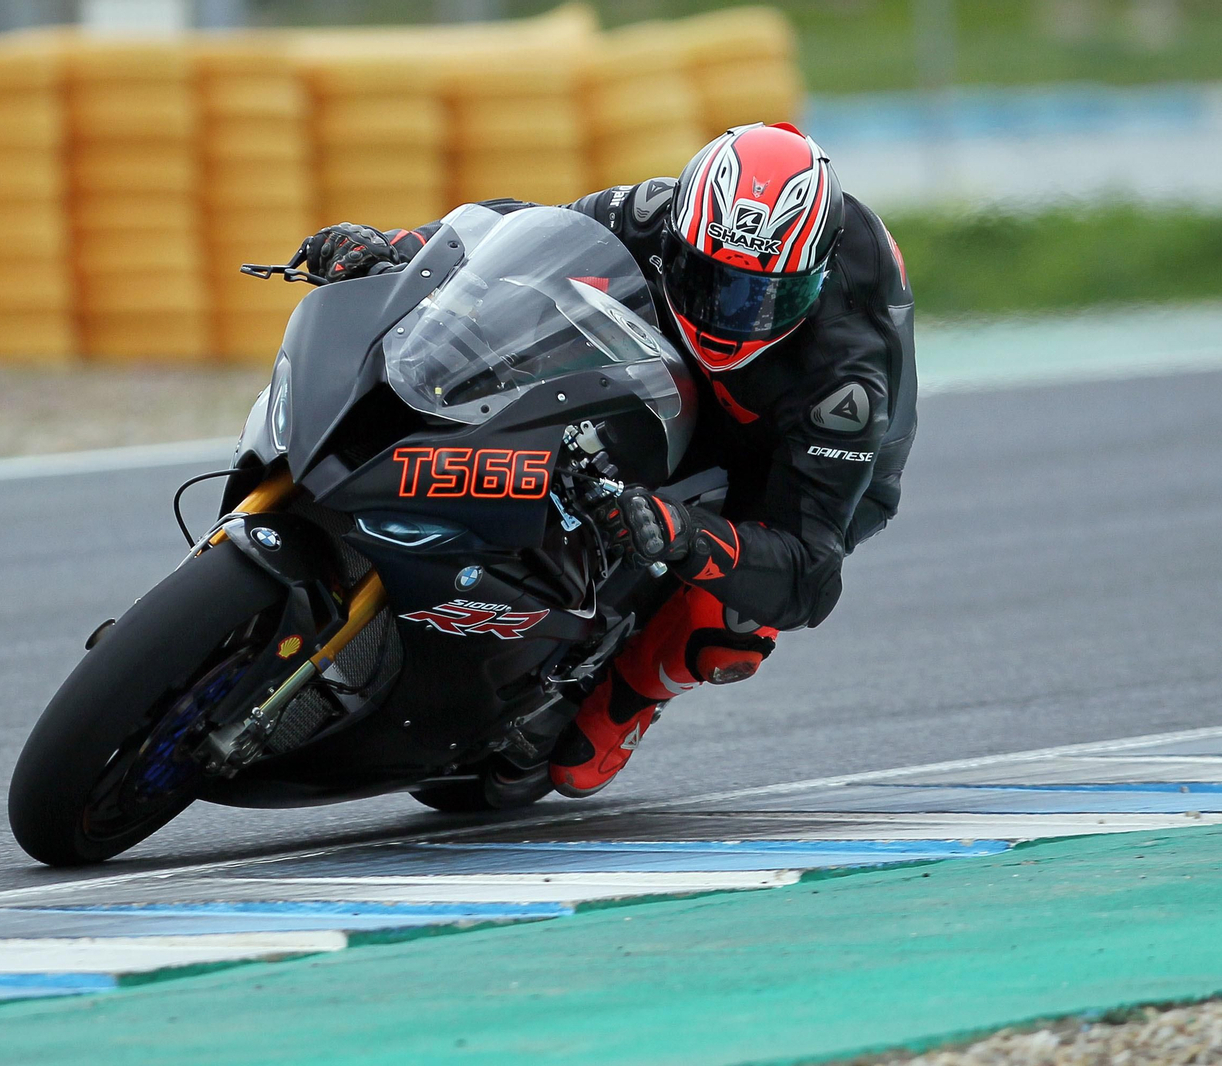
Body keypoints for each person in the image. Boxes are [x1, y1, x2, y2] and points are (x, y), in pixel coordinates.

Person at [289, 122, 917, 797]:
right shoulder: (655, 210)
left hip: (793, 448)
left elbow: (809, 576)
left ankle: (634, 692)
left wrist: (684, 535)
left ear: (814, 283)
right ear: (681, 232)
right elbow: (516, 234)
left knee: (725, 627)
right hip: (665, 366)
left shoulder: (848, 378)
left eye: (767, 298)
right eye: (711, 282)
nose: (731, 318)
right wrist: (397, 248)